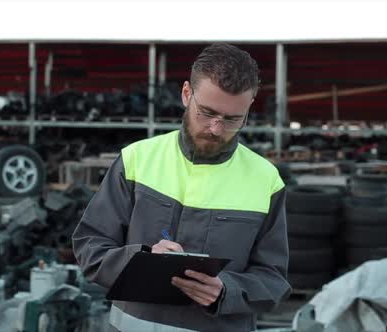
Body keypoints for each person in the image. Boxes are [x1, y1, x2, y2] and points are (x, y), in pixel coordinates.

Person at [72, 43, 290, 332]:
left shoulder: (266, 180)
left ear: (249, 107)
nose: (216, 128)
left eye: (232, 119)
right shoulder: (136, 160)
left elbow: (274, 279)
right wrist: (143, 260)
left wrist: (228, 290)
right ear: (187, 94)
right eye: (207, 112)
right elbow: (90, 247)